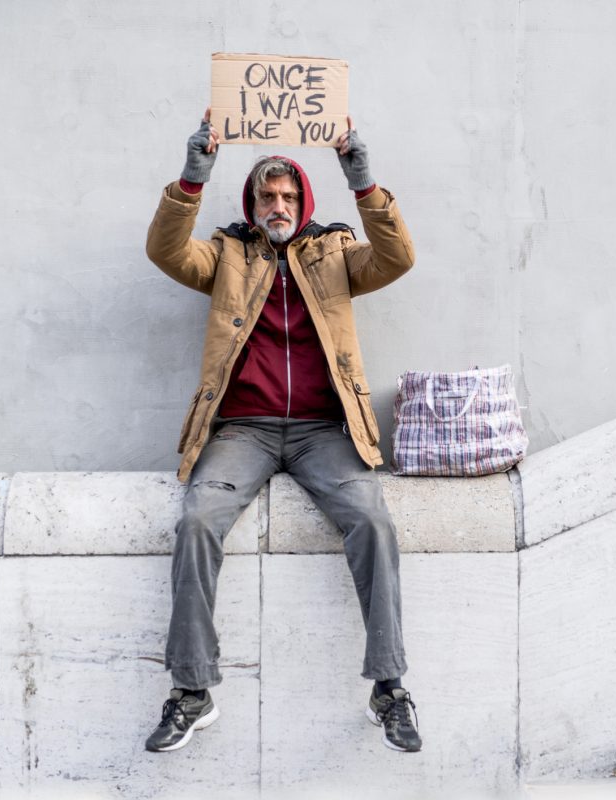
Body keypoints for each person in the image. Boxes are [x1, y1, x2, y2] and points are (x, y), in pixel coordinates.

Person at [142, 108, 421, 754]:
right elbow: (164, 251)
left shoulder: (334, 252)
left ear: (304, 200)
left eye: (289, 194)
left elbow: (398, 257)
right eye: (268, 195)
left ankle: (390, 685)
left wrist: (363, 180)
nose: (279, 204)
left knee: (373, 523)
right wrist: (193, 172)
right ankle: (191, 690)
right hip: (245, 430)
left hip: (326, 431)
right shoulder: (226, 254)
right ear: (252, 201)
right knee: (196, 522)